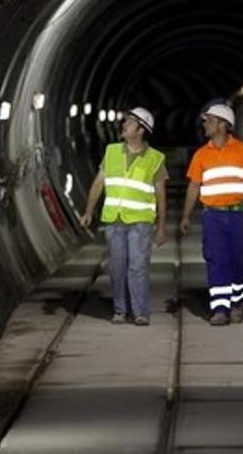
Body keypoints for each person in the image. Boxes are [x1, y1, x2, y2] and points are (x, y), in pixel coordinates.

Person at [80, 107, 167, 325]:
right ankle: (120, 310)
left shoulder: (155, 159)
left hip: (140, 222)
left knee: (137, 267)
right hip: (114, 221)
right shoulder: (111, 152)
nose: (123, 126)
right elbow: (99, 182)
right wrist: (89, 211)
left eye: (128, 123)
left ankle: (140, 312)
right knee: (117, 267)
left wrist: (161, 226)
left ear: (140, 130)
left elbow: (160, 193)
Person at [179, 102, 243, 325]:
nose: (204, 124)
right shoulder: (201, 155)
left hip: (236, 214)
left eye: (209, 120)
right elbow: (194, 186)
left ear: (223, 125)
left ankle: (236, 302)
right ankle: (220, 308)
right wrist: (186, 216)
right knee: (217, 260)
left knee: (240, 259)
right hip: (213, 216)